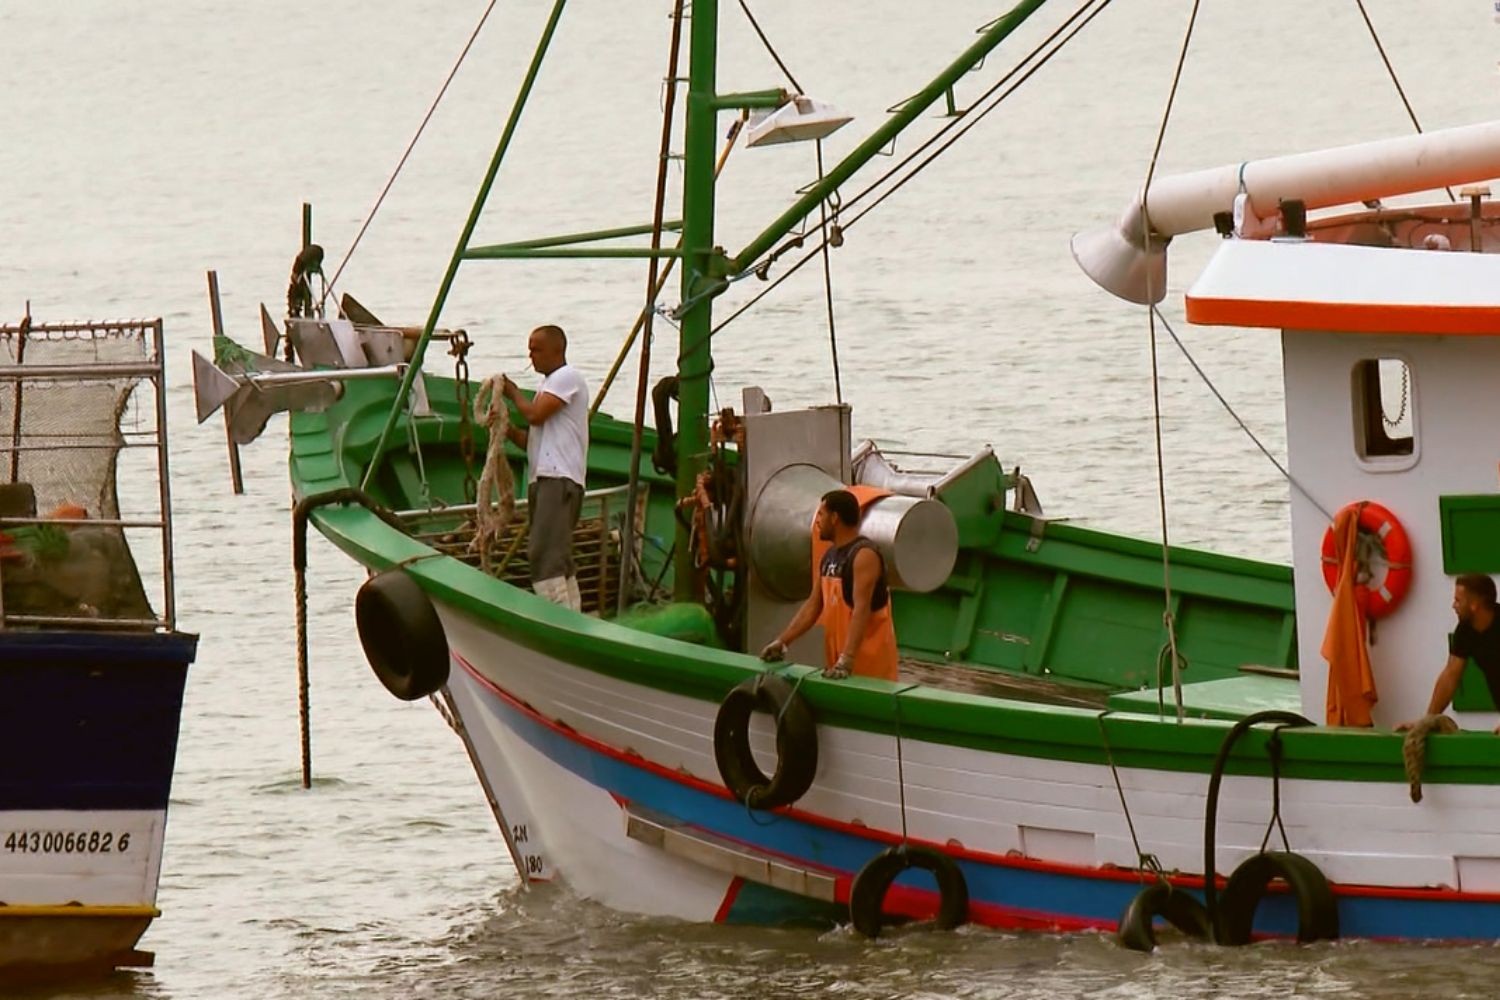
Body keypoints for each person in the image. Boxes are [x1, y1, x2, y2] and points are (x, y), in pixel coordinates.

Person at [759, 489, 899, 681]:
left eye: (821, 514)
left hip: (870, 673)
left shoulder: (864, 555)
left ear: (834, 518)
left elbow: (861, 609)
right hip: (839, 671)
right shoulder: (829, 558)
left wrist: (847, 659)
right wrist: (782, 642)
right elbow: (813, 606)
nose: (817, 520)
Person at [501, 324, 590, 611]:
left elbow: (536, 416)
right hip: (545, 477)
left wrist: (513, 393)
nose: (531, 354)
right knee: (558, 555)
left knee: (542, 552)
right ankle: (572, 612)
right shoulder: (548, 386)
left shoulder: (567, 377)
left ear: (557, 350)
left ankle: (557, 617)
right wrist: (507, 430)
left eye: (536, 349)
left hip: (559, 479)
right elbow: (533, 438)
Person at [1397, 574, 1500, 732]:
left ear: (1474, 605)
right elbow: (1450, 675)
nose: (1453, 605)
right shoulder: (1465, 632)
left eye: (1458, 600)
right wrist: (1427, 722)